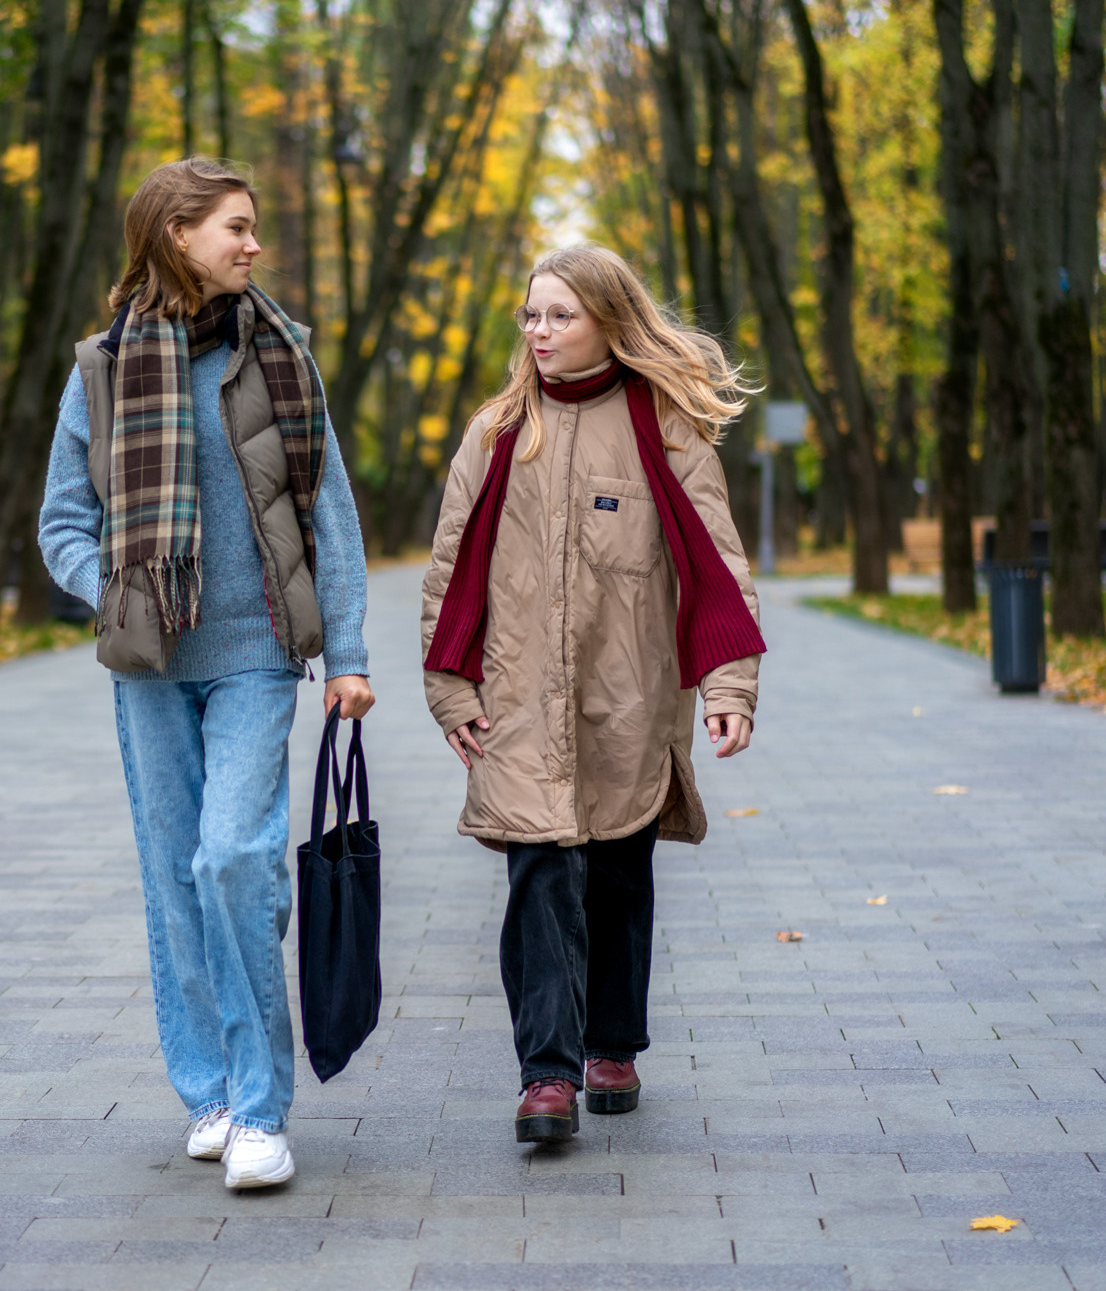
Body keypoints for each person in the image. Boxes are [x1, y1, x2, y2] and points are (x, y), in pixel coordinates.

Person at [39, 157, 373, 1190]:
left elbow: (331, 516)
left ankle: (264, 1109)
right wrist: (114, 586)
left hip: (256, 654)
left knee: (232, 859)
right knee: (176, 874)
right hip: (147, 663)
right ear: (175, 233)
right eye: (234, 226)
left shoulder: (281, 358)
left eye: (253, 226)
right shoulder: (100, 368)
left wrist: (347, 657)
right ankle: (211, 1093)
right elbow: (61, 523)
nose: (252, 244)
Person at [420, 245, 764, 1144]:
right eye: (531, 315)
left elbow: (718, 565)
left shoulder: (667, 427)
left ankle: (613, 1044)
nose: (539, 331)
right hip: (517, 697)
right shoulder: (496, 432)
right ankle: (547, 1073)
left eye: (560, 315)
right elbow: (449, 570)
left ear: (609, 320)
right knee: (538, 869)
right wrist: (451, 689)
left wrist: (730, 685)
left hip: (629, 694)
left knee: (615, 868)